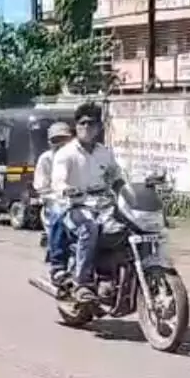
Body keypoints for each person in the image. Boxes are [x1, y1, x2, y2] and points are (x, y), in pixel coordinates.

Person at [49, 101, 124, 303]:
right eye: (82, 123)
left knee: (121, 228)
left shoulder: (103, 153)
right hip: (73, 206)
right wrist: (66, 188)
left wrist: (128, 190)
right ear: (76, 126)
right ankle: (83, 282)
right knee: (89, 228)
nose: (86, 128)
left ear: (99, 128)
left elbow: (116, 177)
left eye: (91, 124)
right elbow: (58, 180)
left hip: (101, 206)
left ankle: (108, 275)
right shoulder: (66, 153)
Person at [32, 121, 73, 281]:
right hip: (56, 200)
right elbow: (41, 185)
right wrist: (56, 194)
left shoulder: (78, 155)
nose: (61, 143)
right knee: (59, 216)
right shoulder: (46, 159)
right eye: (57, 140)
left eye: (65, 139)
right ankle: (58, 264)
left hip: (82, 200)